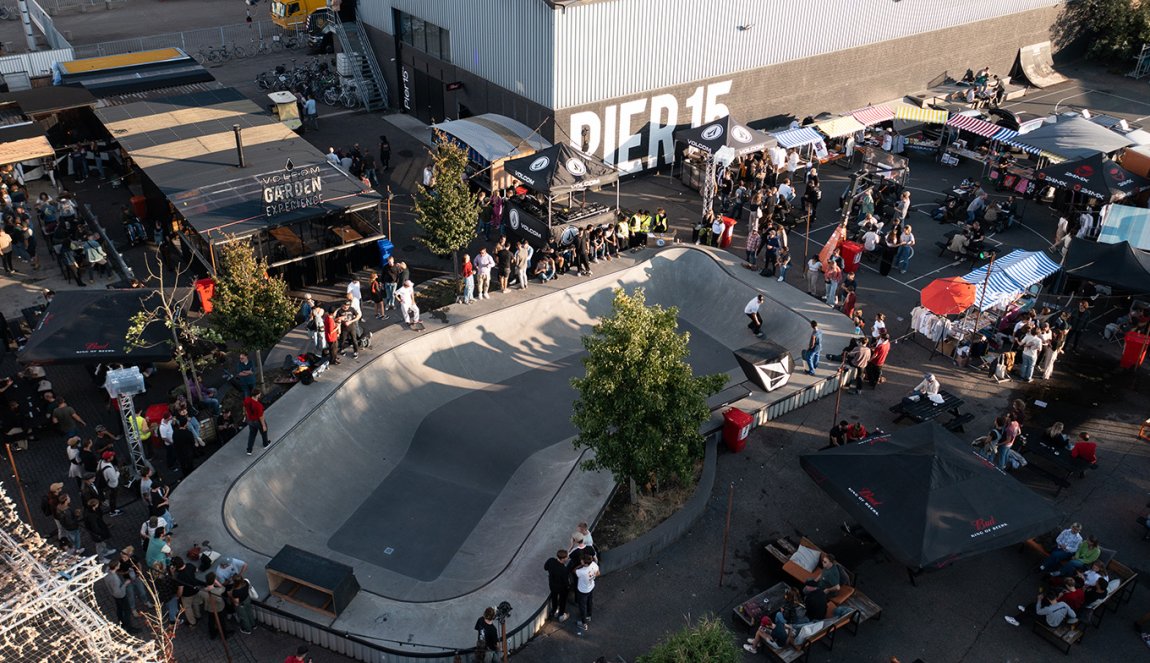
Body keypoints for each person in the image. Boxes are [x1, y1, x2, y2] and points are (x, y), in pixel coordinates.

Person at [574, 552, 599, 633]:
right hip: (591, 587)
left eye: (582, 561)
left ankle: (584, 623)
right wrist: (592, 577)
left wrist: (580, 566)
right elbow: (598, 573)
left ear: (585, 563)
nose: (580, 561)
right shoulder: (594, 565)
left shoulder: (582, 572)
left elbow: (574, 571)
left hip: (583, 591)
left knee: (582, 607)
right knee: (590, 601)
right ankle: (589, 615)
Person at [243, 388, 270, 456]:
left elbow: (244, 407)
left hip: (250, 421)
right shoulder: (258, 405)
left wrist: (245, 415)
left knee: (252, 434)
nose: (260, 395)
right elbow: (261, 417)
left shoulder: (247, 399)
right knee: (264, 432)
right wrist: (263, 425)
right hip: (257, 421)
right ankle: (265, 444)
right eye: (259, 394)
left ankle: (249, 450)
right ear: (257, 395)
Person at [545, 549, 570, 621]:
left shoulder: (551, 560)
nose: (568, 558)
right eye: (567, 557)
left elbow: (545, 567)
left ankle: (554, 610)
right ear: (563, 559)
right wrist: (568, 586)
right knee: (563, 600)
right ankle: (561, 614)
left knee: (554, 598)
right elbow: (566, 581)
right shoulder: (564, 569)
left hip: (552, 585)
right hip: (562, 588)